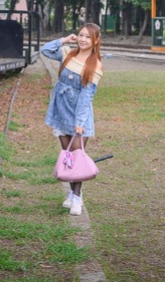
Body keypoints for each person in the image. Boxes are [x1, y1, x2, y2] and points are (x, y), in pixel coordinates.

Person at [40, 23, 104, 216]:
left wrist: (79, 123)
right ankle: (73, 193)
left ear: (96, 40)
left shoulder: (95, 65)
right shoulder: (68, 53)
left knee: (77, 156)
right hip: (60, 110)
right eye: (80, 35)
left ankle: (76, 197)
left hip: (78, 113)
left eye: (87, 37)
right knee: (67, 156)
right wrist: (64, 40)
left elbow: (86, 97)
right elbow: (45, 50)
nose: (83, 39)